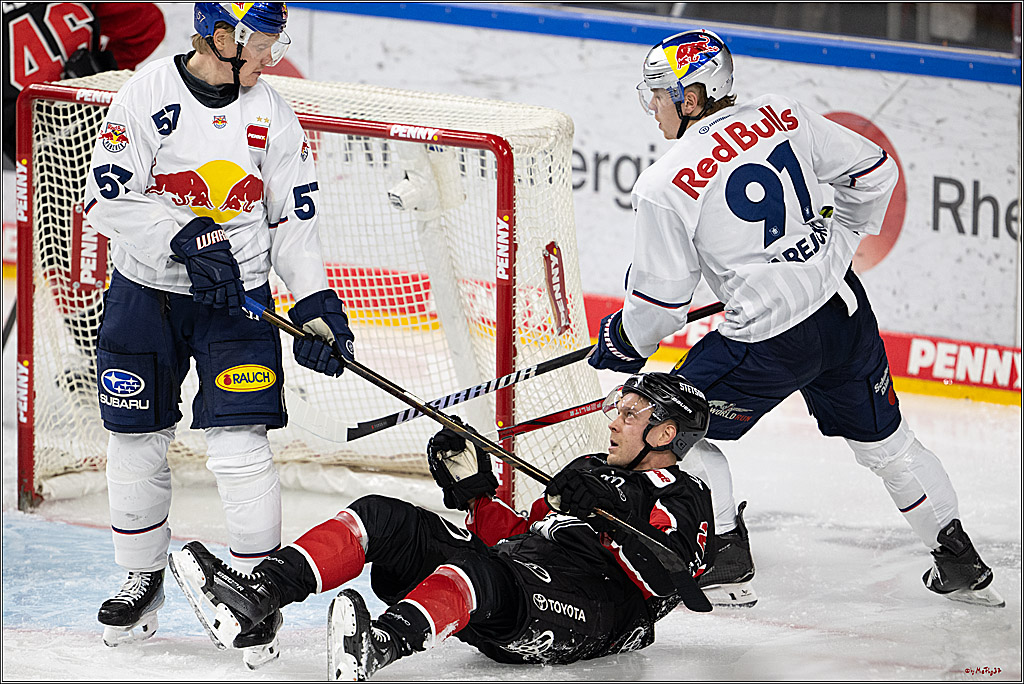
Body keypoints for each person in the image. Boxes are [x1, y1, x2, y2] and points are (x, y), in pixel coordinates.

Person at [588, 29, 1003, 609]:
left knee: (664, 426)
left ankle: (725, 556)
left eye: (659, 93)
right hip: (843, 312)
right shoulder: (782, 114)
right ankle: (957, 557)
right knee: (889, 446)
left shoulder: (663, 184)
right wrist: (844, 236)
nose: (651, 105)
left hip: (766, 340)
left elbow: (661, 305)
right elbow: (875, 171)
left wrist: (623, 342)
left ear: (690, 97)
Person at [83, 2, 357, 668]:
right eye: (261, 42)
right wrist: (183, 238)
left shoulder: (274, 115)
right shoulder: (146, 93)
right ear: (220, 36)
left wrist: (315, 303)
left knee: (240, 446)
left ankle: (257, 592)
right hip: (145, 294)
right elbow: (105, 197)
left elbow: (293, 222)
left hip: (239, 302)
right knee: (135, 438)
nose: (271, 55)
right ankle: (141, 577)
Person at [168, 372, 716, 679]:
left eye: (631, 413)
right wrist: (476, 493)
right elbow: (521, 539)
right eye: (619, 407)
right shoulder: (589, 469)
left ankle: (379, 645)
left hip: (594, 614)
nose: (615, 420)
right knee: (384, 516)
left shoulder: (685, 495)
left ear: (665, 434)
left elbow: (668, 584)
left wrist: (613, 518)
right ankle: (257, 597)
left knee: (479, 572)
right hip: (520, 584)